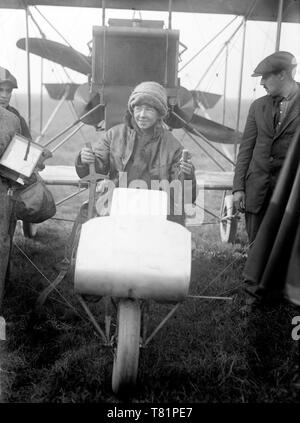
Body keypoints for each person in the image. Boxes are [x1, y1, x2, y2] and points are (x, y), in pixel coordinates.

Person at [75, 81, 197, 225]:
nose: (142, 115)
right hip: (117, 203)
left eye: (149, 110)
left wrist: (187, 175)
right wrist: (85, 160)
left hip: (155, 209)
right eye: (138, 108)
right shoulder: (113, 135)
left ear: (160, 113)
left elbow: (184, 196)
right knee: (86, 219)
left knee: (173, 225)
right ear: (132, 110)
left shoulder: (173, 146)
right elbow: (95, 170)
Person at [233, 51, 300, 244]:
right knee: (256, 251)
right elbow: (246, 149)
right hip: (257, 195)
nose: (261, 83)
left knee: (285, 254)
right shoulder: (257, 106)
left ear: (283, 75)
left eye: (265, 77)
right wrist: (238, 188)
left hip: (291, 197)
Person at [0, 66, 31, 139]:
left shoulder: (16, 118)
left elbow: (28, 146)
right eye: (0, 90)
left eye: (8, 91)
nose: (4, 96)